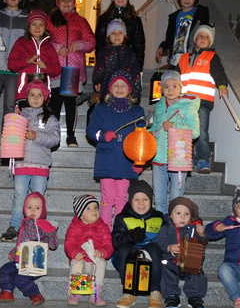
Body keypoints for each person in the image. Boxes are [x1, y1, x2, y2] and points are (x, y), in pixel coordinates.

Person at [1, 80, 61, 242]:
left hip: (40, 165)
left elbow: (55, 139)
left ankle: (37, 226)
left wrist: (36, 136)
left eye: (39, 95)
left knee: (38, 197)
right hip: (21, 163)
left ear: (45, 97)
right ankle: (14, 225)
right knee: (19, 196)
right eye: (32, 95)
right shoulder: (20, 115)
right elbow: (10, 134)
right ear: (26, 97)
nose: (35, 98)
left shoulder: (50, 118)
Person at [86, 70, 146, 230]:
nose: (119, 88)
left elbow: (142, 140)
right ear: (110, 89)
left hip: (126, 161)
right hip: (106, 160)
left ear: (130, 90)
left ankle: (119, 231)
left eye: (124, 85)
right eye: (116, 85)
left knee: (121, 199)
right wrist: (103, 135)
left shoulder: (137, 112)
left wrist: (140, 161)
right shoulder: (100, 109)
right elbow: (90, 130)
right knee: (107, 198)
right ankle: (105, 230)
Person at [47, 0, 96, 147]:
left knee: (70, 104)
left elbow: (91, 42)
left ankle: (71, 136)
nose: (66, 3)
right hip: (55, 68)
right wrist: (56, 47)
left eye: (70, 0)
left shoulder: (81, 21)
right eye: (63, 0)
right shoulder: (51, 19)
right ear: (58, 2)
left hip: (73, 69)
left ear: (75, 3)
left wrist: (80, 45)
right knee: (54, 103)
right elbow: (44, 39)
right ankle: (52, 135)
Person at [176, 25, 229, 174]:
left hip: (202, 103)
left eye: (206, 37)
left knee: (201, 132)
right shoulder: (184, 58)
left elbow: (219, 72)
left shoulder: (212, 56)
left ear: (210, 41)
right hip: (184, 102)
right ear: (195, 39)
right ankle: (185, 158)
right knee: (184, 131)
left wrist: (222, 85)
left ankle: (202, 159)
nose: (203, 39)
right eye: (200, 36)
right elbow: (175, 77)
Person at [0, 192, 58, 307]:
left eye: (37, 208)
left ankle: (36, 294)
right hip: (20, 261)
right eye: (29, 207)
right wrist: (14, 253)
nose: (33, 211)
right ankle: (7, 291)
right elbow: (21, 243)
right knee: (4, 270)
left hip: (35, 264)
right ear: (24, 209)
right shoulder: (25, 223)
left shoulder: (44, 225)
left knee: (20, 279)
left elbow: (51, 244)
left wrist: (50, 232)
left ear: (43, 210)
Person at [149, 70, 200, 215]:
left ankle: (174, 228)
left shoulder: (188, 106)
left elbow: (195, 132)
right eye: (166, 86)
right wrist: (149, 133)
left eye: (174, 86)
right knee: (158, 198)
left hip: (178, 158)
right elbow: (155, 127)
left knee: (176, 198)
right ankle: (162, 228)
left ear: (181, 87)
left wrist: (174, 127)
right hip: (158, 158)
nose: (170, 90)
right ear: (161, 89)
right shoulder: (159, 106)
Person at [111, 180, 164, 308]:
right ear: (130, 201)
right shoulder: (122, 217)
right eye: (137, 199)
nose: (141, 203)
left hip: (150, 261)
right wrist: (130, 236)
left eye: (145, 199)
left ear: (151, 200)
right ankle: (129, 292)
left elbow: (166, 239)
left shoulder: (159, 217)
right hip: (127, 257)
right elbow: (115, 242)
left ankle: (154, 291)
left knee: (154, 248)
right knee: (124, 248)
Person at [156, 197, 208, 308]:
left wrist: (202, 235)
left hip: (189, 262)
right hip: (172, 261)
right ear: (171, 215)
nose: (183, 217)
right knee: (164, 267)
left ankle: (194, 296)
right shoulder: (166, 228)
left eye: (187, 214)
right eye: (178, 213)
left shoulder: (193, 229)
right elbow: (159, 241)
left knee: (197, 272)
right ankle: (171, 295)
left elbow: (202, 244)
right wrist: (168, 247)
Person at [65, 194, 114, 306]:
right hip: (81, 260)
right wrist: (75, 253)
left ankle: (95, 294)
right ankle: (75, 293)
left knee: (101, 262)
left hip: (94, 262)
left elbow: (108, 245)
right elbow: (69, 243)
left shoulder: (103, 227)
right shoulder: (74, 227)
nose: (94, 211)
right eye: (88, 208)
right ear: (80, 215)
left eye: (96, 207)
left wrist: (102, 252)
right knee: (76, 262)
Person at [7, 9, 62, 104]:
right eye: (34, 24)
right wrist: (27, 61)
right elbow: (11, 65)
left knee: (41, 118)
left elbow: (57, 69)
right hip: (24, 93)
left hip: (42, 94)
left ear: (45, 27)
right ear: (29, 27)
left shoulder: (49, 46)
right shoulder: (21, 43)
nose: (37, 28)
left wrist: (46, 67)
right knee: (24, 118)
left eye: (41, 25)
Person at [156, 0, 210, 68]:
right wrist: (162, 47)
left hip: (192, 59)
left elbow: (204, 32)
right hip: (175, 60)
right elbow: (170, 38)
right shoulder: (173, 17)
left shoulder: (200, 13)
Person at [95, 0, 146, 70]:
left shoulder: (135, 20)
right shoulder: (104, 19)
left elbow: (139, 47)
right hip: (108, 65)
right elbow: (99, 44)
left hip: (128, 65)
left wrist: (138, 68)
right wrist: (101, 66)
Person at [92, 18, 142, 103]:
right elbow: (98, 69)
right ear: (108, 36)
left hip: (126, 91)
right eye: (113, 33)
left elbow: (135, 74)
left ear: (124, 35)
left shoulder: (129, 53)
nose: (117, 36)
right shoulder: (104, 52)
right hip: (107, 91)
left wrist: (136, 94)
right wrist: (97, 81)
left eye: (120, 33)